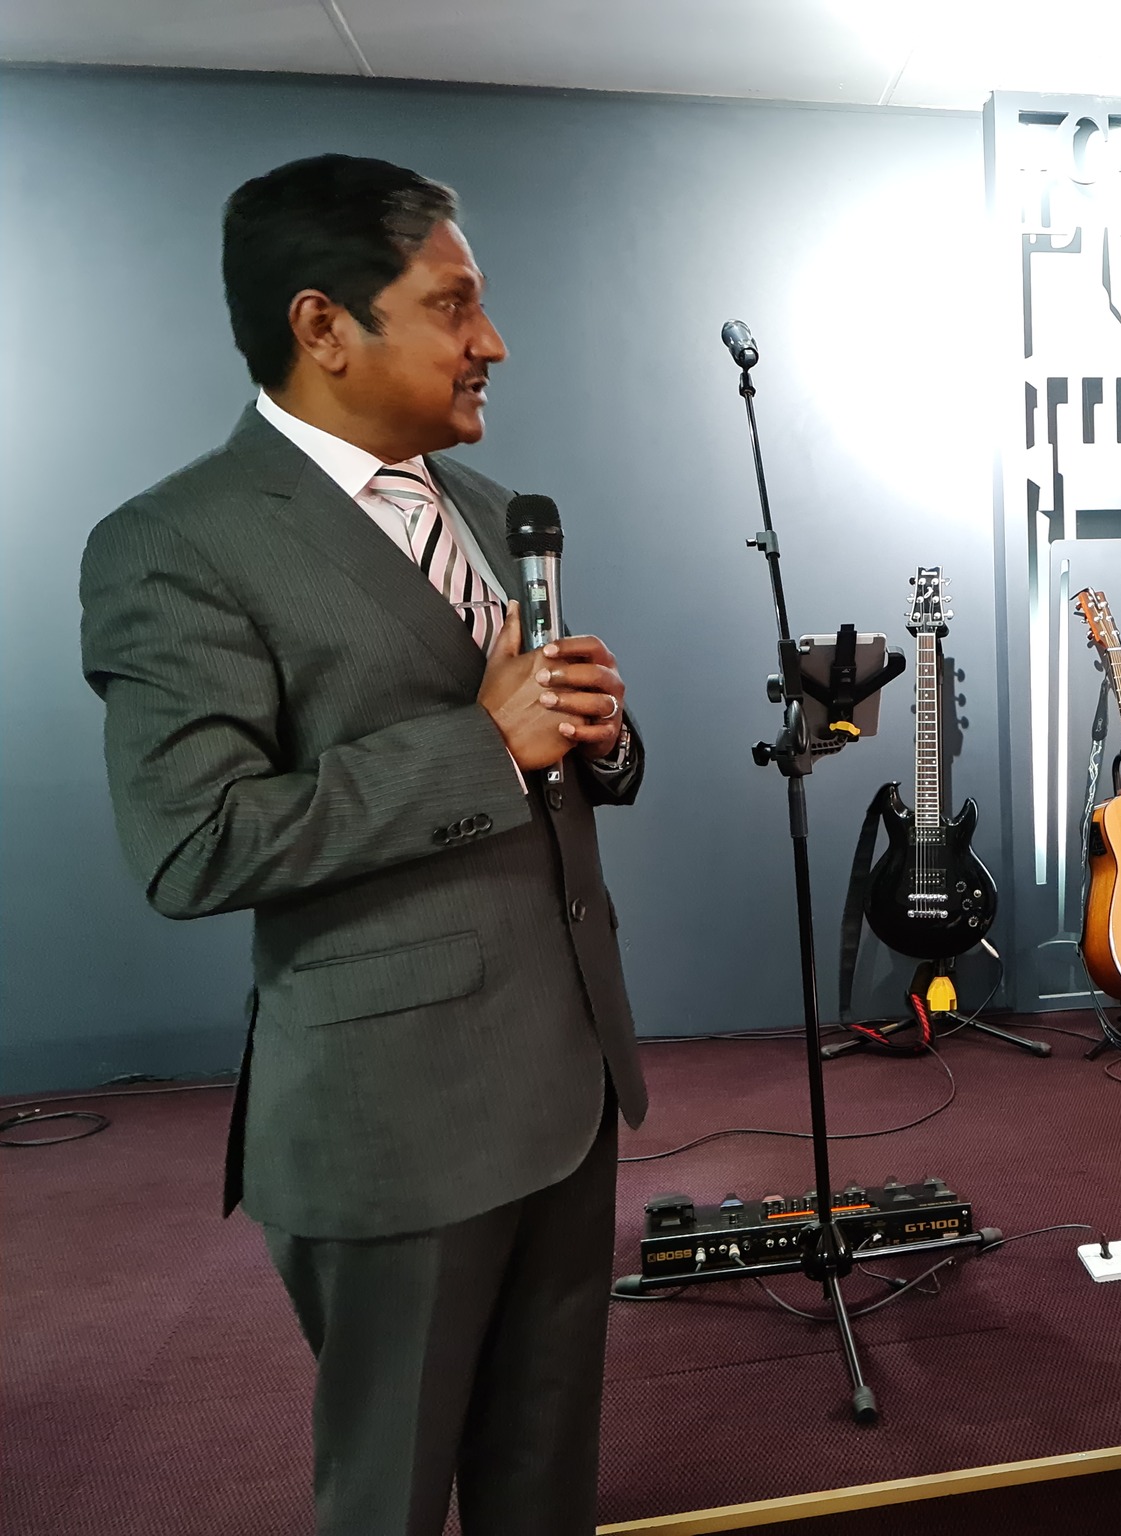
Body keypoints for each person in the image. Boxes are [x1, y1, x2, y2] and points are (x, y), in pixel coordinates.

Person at [78, 154, 648, 1536]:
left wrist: (599, 736)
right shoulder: (176, 544)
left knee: (543, 1483)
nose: (491, 341)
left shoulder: (490, 510)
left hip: (567, 1084)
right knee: (387, 1495)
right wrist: (484, 746)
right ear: (323, 325)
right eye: (454, 305)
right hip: (395, 1124)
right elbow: (193, 843)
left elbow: (547, 758)